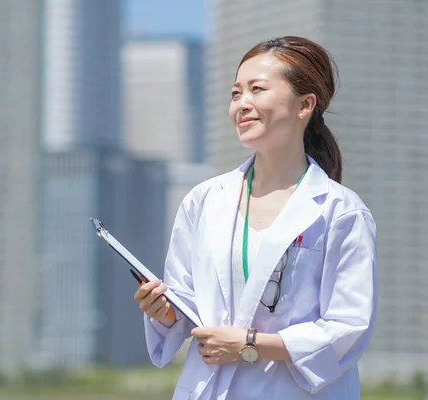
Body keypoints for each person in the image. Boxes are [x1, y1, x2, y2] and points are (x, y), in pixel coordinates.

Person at [133, 36, 377, 400]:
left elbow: (348, 327)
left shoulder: (340, 211)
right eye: (235, 93)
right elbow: (186, 310)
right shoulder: (204, 201)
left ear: (304, 105)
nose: (241, 104)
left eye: (257, 89)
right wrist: (163, 311)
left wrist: (250, 345)